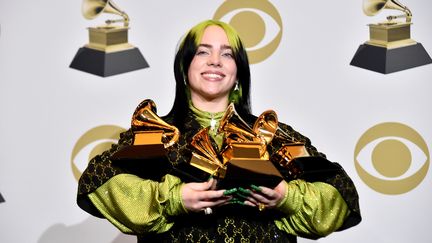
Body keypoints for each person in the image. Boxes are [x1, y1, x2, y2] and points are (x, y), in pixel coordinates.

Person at [77, 20, 361, 242]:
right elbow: (99, 181)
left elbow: (340, 191)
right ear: (184, 67)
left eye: (227, 54)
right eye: (203, 52)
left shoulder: (276, 137)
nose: (215, 61)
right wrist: (174, 199)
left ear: (238, 74)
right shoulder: (153, 133)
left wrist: (287, 197)